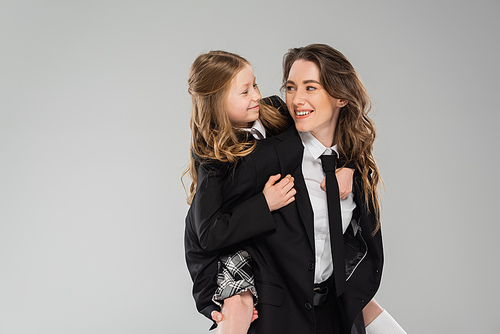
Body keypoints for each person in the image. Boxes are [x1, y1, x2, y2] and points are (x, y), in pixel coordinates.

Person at [185, 46, 406, 333]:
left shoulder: (352, 167)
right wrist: (224, 298)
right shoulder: (265, 157)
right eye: (290, 87)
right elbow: (203, 227)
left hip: (330, 308)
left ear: (340, 97)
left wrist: (348, 165)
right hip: (272, 315)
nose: (296, 99)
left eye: (310, 87)